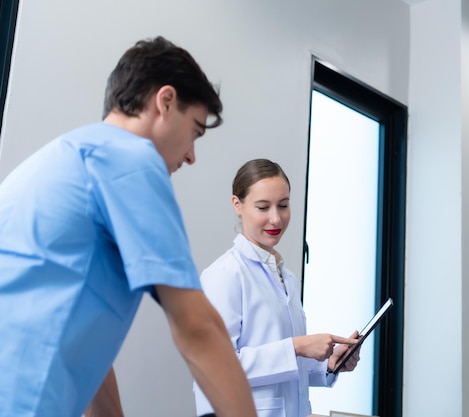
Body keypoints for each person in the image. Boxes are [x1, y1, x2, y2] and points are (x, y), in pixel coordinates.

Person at [0, 36, 257, 417]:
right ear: (165, 102)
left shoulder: (66, 155)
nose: (190, 156)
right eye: (195, 130)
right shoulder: (128, 159)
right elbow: (197, 328)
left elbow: (84, 352)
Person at [193, 158, 361, 417]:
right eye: (263, 207)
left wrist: (328, 364)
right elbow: (214, 366)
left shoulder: (286, 277)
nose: (276, 218)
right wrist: (297, 346)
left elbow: (283, 371)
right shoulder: (224, 275)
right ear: (237, 205)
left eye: (283, 205)